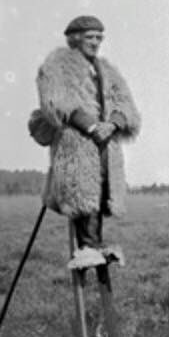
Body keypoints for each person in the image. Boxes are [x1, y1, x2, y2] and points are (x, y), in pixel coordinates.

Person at [29, 15, 141, 269]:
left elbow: (125, 103)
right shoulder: (57, 65)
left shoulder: (107, 70)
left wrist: (112, 124)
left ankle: (95, 243)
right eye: (90, 37)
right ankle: (87, 246)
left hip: (105, 144)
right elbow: (56, 102)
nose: (96, 43)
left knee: (103, 188)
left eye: (99, 38)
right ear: (75, 38)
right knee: (82, 188)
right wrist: (91, 126)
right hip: (77, 142)